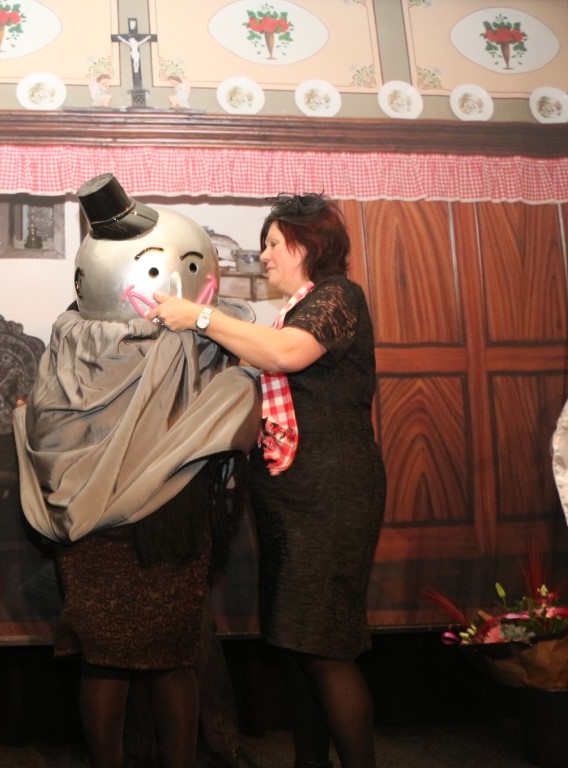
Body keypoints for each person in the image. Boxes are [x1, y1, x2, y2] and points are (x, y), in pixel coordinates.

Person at [15, 174, 260, 768]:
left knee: (116, 660)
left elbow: (46, 421)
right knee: (165, 659)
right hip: (170, 514)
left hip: (106, 523)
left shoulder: (70, 338)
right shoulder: (203, 333)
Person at [148, 193, 386, 768]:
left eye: (275, 243)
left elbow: (284, 355)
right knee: (297, 644)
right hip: (289, 496)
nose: (265, 255)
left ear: (307, 244)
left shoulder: (338, 296)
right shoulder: (295, 308)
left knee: (324, 647)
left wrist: (201, 317)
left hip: (331, 494)